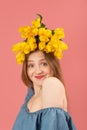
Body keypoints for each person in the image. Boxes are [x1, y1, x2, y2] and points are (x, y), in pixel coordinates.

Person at [12, 14, 76, 130]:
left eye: (44, 64)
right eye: (31, 65)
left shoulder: (52, 85)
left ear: (53, 65)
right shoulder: (31, 95)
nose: (38, 71)